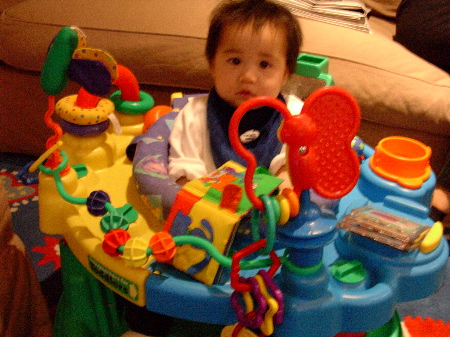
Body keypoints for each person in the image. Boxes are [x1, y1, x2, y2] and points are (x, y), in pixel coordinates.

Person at [168, 0, 303, 188]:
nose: (248, 77)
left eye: (264, 64)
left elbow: (300, 163)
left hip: (273, 212)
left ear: (285, 75)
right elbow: (183, 171)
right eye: (235, 61)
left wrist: (285, 190)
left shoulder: (296, 115)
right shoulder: (194, 115)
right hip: (210, 210)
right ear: (212, 64)